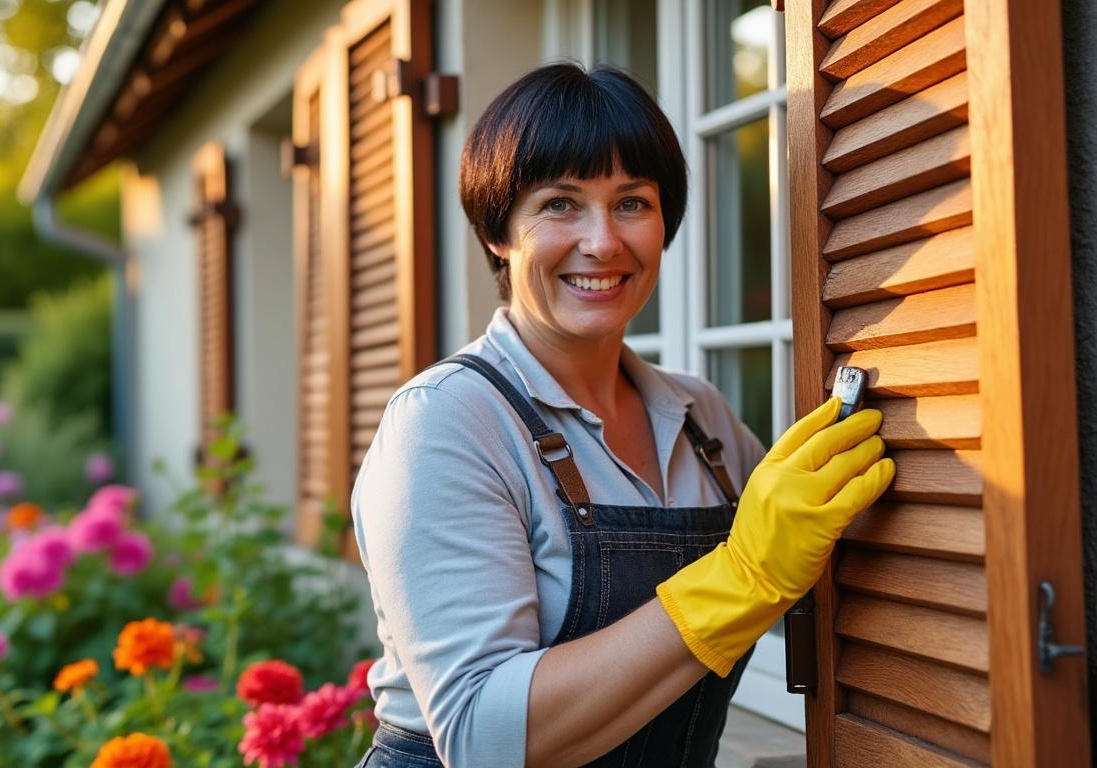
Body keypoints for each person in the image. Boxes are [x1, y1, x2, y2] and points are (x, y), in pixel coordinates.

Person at [350, 63, 895, 768]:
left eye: (632, 202)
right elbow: (484, 737)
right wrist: (741, 577)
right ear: (498, 233)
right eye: (560, 204)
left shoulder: (705, 421)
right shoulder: (446, 424)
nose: (603, 241)